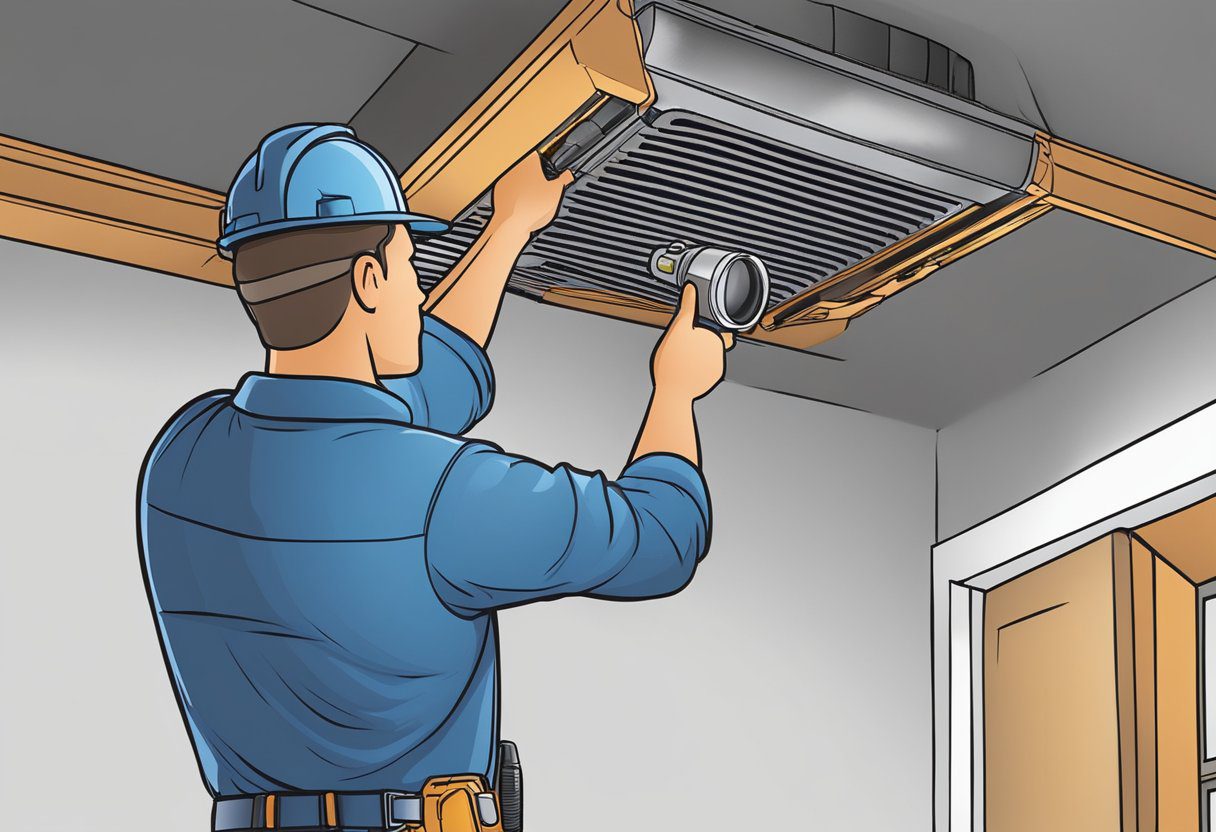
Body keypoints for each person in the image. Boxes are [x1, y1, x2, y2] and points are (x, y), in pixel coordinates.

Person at [138, 124, 731, 832]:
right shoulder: (447, 496)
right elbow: (662, 539)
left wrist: (510, 228)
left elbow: (412, 402)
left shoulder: (180, 458)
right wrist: (676, 389)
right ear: (367, 280)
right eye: (409, 265)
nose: (417, 291)